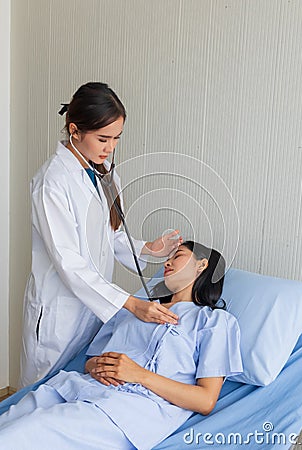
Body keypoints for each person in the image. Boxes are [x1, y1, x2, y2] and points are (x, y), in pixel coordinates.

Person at [0, 241, 243, 450]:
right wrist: (96, 366)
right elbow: (90, 361)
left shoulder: (215, 322)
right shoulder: (135, 309)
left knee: (19, 436)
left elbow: (205, 401)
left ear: (202, 265)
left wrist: (140, 375)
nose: (167, 263)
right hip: (73, 388)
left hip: (125, 409)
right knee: (8, 422)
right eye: (167, 258)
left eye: (177, 256)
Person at [19, 82, 182, 388]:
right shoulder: (52, 183)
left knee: (75, 393)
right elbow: (69, 261)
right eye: (103, 139)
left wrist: (148, 248)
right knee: (39, 396)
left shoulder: (103, 171)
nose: (110, 148)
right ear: (74, 131)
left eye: (116, 138)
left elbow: (111, 234)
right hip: (59, 312)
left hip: (92, 308)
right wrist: (131, 304)